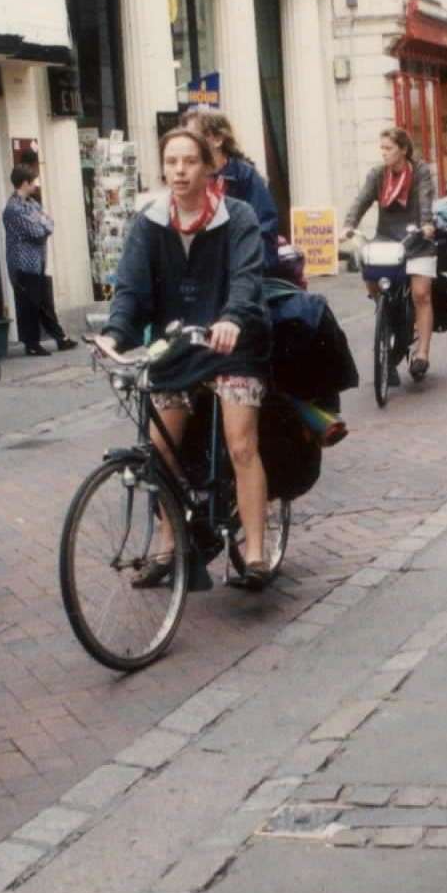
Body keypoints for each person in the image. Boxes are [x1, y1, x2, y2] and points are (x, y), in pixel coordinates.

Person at [96, 127, 273, 585]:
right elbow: (131, 288)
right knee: (159, 451)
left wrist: (233, 317)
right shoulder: (150, 221)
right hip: (178, 344)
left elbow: (247, 277)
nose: (179, 171)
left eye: (189, 162)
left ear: (208, 166)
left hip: (233, 343)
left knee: (240, 443)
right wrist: (116, 334)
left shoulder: (238, 216)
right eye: (171, 162)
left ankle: (255, 550)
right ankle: (168, 542)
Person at [341, 128, 438, 382]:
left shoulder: (420, 172)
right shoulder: (377, 174)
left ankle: (422, 353)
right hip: (387, 238)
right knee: (370, 273)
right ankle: (385, 313)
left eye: (388, 148)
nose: (383, 153)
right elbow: (361, 201)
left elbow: (426, 199)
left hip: (416, 238)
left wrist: (427, 223)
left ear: (403, 150)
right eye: (382, 148)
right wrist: (348, 225)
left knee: (421, 294)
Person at [181, 109, 280, 266]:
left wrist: (249, 270)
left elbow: (264, 228)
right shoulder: (186, 177)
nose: (187, 144)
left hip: (241, 270)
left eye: (194, 137)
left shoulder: (245, 176)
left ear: (218, 139)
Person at [0, 162, 77, 357]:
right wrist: (42, 224)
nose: (36, 185)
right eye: (33, 181)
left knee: (43, 302)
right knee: (29, 304)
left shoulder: (32, 204)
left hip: (38, 260)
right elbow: (36, 231)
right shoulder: (13, 209)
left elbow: (49, 223)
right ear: (24, 183)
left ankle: (60, 338)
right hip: (23, 263)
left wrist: (43, 224)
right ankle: (32, 343)